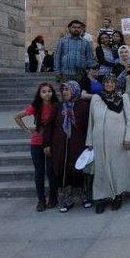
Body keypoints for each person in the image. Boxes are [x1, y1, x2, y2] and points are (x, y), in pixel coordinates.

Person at [86, 74, 130, 213]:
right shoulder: (96, 98)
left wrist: (128, 138)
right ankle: (102, 198)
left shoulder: (123, 98)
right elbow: (91, 120)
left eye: (112, 82)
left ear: (116, 84)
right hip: (99, 140)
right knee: (101, 169)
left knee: (117, 168)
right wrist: (89, 140)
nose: (109, 85)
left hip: (118, 140)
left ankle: (117, 196)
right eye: (106, 82)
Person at [44, 81, 90, 212]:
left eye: (67, 89)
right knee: (63, 172)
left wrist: (89, 143)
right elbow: (49, 126)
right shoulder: (58, 107)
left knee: (80, 170)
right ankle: (66, 200)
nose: (65, 92)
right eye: (63, 89)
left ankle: (85, 197)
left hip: (79, 144)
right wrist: (46, 143)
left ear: (74, 90)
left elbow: (88, 126)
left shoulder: (83, 106)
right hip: (61, 145)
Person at [14, 83, 60, 211]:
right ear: (39, 94)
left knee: (51, 172)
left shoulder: (57, 105)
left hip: (51, 143)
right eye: (44, 91)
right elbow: (17, 116)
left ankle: (53, 197)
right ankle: (41, 200)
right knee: (39, 172)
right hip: (37, 142)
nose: (47, 94)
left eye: (49, 91)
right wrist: (27, 130)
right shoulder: (35, 106)